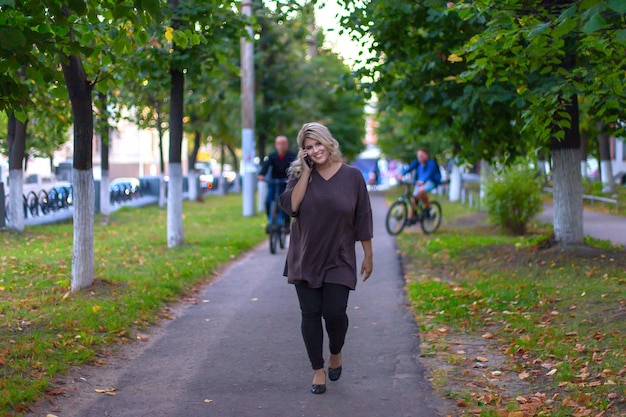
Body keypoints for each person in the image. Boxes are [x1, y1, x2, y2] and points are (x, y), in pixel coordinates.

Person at [279, 122, 374, 395]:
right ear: (304, 152)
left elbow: (363, 216)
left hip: (340, 257)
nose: (315, 150)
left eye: (318, 144)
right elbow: (292, 207)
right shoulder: (299, 174)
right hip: (305, 256)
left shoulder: (352, 176)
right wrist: (307, 173)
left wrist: (368, 254)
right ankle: (318, 370)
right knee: (310, 314)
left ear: (328, 142)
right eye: (308, 147)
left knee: (335, 313)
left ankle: (335, 351)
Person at [257, 135, 296, 232]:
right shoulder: (272, 156)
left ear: (287, 145)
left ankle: (286, 224)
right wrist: (262, 174)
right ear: (276, 145)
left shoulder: (292, 156)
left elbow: (296, 167)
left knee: (285, 204)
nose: (281, 146)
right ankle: (270, 222)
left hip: (286, 183)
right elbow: (265, 167)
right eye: (279, 144)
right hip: (274, 183)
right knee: (268, 201)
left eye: (283, 144)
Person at [397, 147, 441, 220]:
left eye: (421, 155)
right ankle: (410, 218)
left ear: (426, 155)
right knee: (413, 200)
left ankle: (428, 208)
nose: (419, 157)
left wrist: (423, 180)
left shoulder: (431, 163)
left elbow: (429, 173)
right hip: (419, 182)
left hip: (431, 182)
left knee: (421, 191)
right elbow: (410, 168)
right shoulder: (418, 162)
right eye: (418, 155)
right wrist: (401, 174)